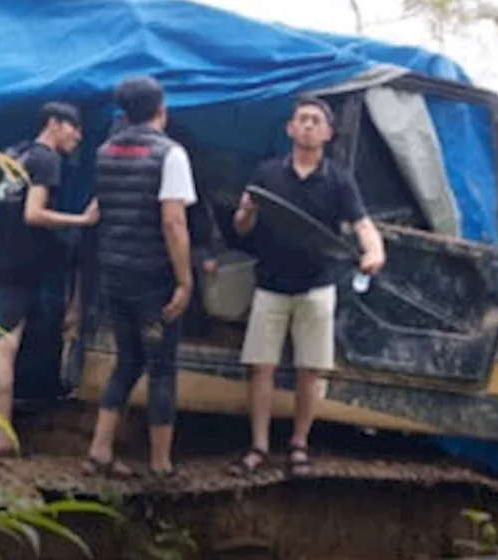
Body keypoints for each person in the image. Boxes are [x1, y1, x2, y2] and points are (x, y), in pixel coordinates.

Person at [227, 96, 385, 477]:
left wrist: (374, 250)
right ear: (290, 128)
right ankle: (259, 446)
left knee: (310, 370)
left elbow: (362, 224)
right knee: (261, 368)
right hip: (270, 284)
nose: (309, 125)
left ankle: (299, 445)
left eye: (316, 120)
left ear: (328, 134)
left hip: (317, 287)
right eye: (303, 119)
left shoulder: (339, 180)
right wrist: (245, 213)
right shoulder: (266, 173)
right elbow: (241, 227)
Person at [84, 75, 197, 479]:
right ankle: (161, 463)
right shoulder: (171, 154)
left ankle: (99, 449)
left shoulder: (105, 151)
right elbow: (173, 222)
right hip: (154, 277)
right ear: (161, 110)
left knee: (127, 361)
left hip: (114, 271)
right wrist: (184, 280)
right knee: (162, 366)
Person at [0, 101, 98, 458]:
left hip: (6, 257)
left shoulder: (16, 153)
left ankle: (6, 428)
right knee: (7, 345)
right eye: (74, 128)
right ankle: (2, 436)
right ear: (54, 124)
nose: (78, 136)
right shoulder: (46, 160)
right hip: (23, 263)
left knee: (12, 341)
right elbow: (33, 214)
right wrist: (80, 221)